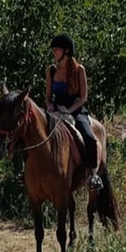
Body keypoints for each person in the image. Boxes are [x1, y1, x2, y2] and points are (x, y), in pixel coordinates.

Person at [45, 34, 102, 190]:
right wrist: (50, 105)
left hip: (76, 110)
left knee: (89, 138)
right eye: (53, 50)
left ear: (67, 51)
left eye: (56, 50)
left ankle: (93, 175)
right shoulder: (51, 71)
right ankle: (28, 172)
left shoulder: (79, 70)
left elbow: (83, 97)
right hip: (55, 110)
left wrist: (68, 111)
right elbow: (48, 96)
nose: (54, 53)